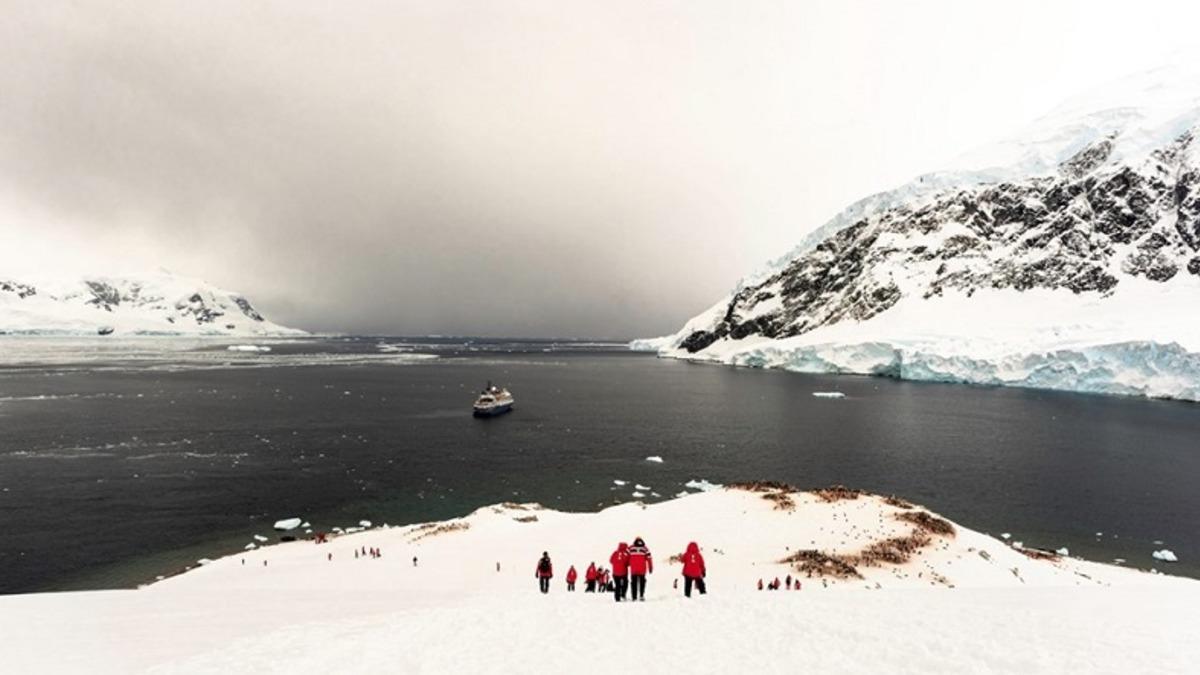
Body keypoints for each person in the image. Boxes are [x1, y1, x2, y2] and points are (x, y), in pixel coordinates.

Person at [627, 537, 652, 601]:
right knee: (642, 583)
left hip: (633, 569)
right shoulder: (645, 548)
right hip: (642, 569)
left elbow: (626, 557)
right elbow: (649, 558)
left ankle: (634, 597)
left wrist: (628, 564)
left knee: (633, 583)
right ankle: (641, 595)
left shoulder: (630, 548)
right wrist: (650, 567)